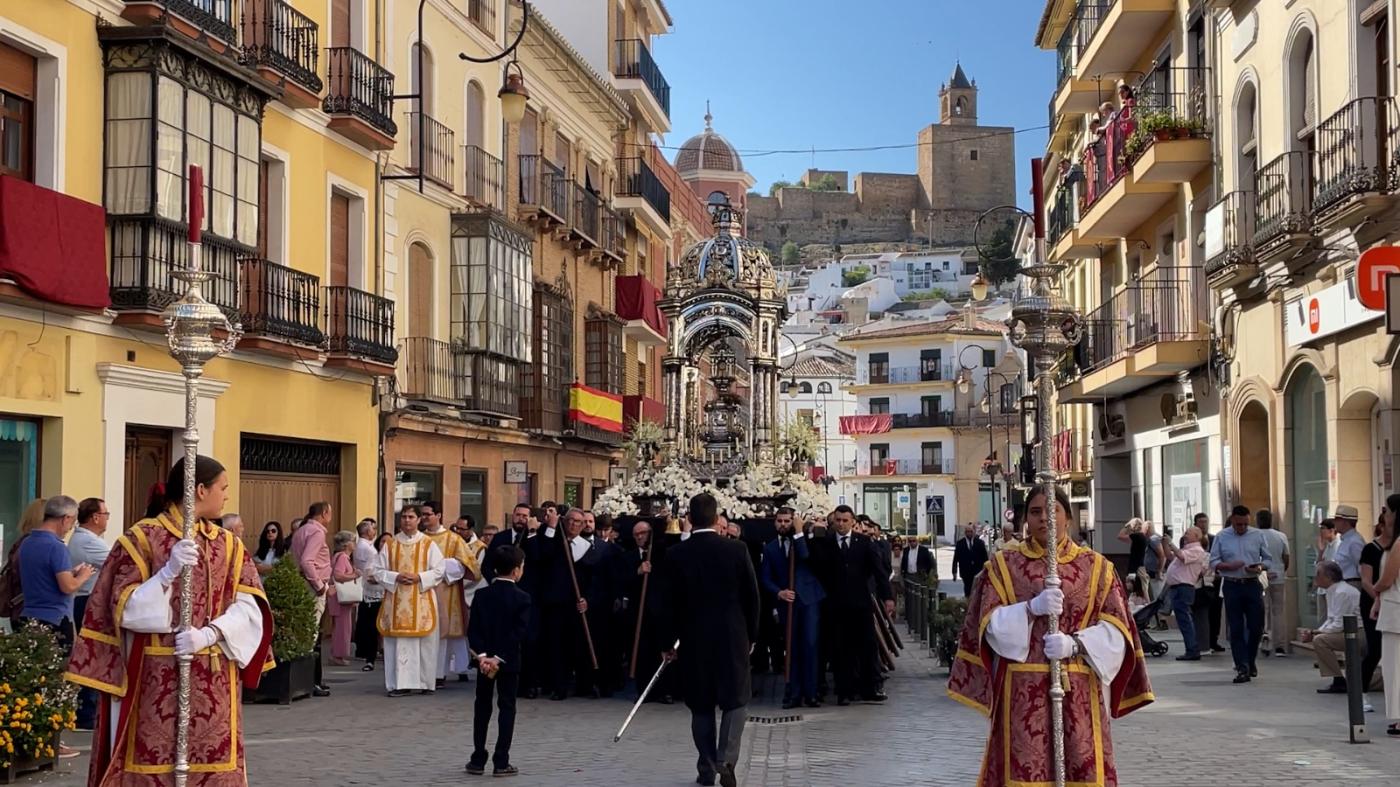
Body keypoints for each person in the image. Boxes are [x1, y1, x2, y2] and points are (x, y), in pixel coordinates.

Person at [66, 455, 273, 785]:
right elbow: (123, 610)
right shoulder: (142, 539)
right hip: (153, 678)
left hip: (215, 678)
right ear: (200, 490)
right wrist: (167, 574)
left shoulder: (230, 546)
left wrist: (209, 634)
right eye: (224, 487)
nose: (227, 495)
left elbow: (250, 610)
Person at [948, 484, 1153, 786]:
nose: (1044, 518)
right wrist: (1030, 609)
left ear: (1068, 517)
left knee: (1081, 767)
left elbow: (1117, 630)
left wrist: (1076, 643)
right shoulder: (1005, 566)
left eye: (1052, 510)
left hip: (1080, 685)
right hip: (1021, 688)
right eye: (1035, 512)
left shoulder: (1097, 568)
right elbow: (988, 625)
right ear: (1025, 520)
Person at [661, 493, 759, 787]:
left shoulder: (676, 554)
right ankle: (726, 758)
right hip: (731, 635)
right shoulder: (737, 549)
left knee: (701, 704)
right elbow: (752, 597)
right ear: (718, 520)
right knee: (736, 699)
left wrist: (668, 642)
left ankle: (705, 766)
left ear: (688, 519)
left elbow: (666, 602)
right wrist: (752, 635)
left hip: (693, 639)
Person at [19, 494, 94, 757]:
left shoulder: (28, 543)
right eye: (71, 522)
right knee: (56, 683)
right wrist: (82, 575)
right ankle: (53, 741)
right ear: (65, 519)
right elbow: (67, 587)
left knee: (35, 681)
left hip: (30, 616)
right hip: (55, 620)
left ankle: (37, 737)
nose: (71, 527)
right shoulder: (56, 547)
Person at [466, 545, 530, 778]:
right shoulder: (523, 598)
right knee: (507, 707)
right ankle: (501, 760)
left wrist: (483, 656)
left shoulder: (482, 596)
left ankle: (477, 758)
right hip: (508, 661)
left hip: (483, 663)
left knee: (482, 707)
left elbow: (473, 629)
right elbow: (518, 633)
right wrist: (498, 658)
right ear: (516, 571)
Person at [374, 505, 451, 697]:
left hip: (422, 599)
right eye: (404, 517)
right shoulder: (390, 544)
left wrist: (420, 577)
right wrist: (395, 576)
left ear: (418, 520)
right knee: (399, 645)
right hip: (397, 601)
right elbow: (377, 570)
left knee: (425, 644)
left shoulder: (427, 544)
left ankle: (426, 682)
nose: (407, 520)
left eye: (411, 517)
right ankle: (400, 684)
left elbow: (440, 569)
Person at [827, 505, 895, 705]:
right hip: (836, 606)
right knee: (841, 648)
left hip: (861, 604)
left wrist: (887, 597)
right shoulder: (827, 543)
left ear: (852, 522)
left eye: (845, 520)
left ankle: (870, 687)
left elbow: (879, 572)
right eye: (838, 520)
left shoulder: (864, 543)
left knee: (867, 646)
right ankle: (844, 690)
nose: (841, 524)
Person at [760, 507, 825, 710]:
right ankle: (793, 692)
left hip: (809, 600)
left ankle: (811, 692)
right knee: (792, 647)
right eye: (779, 521)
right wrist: (778, 592)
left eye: (787, 521)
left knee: (810, 645)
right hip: (786, 602)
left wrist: (798, 533)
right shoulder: (770, 548)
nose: (783, 525)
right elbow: (765, 576)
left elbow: (806, 557)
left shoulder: (805, 540)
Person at [1209, 505, 1272, 684]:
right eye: (1238, 525)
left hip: (1252, 583)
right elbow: (1213, 561)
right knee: (1235, 628)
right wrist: (1228, 566)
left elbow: (1268, 559)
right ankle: (1242, 666)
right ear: (1233, 521)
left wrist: (1260, 567)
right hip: (1232, 584)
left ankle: (1250, 660)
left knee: (1256, 626)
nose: (1242, 528)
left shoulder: (1258, 535)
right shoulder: (1222, 536)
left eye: (1245, 524)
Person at [421, 501, 479, 686]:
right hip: (423, 591)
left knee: (443, 634)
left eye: (427, 514)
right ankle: (424, 673)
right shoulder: (419, 539)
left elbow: (467, 566)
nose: (424, 518)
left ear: (438, 515)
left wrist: (441, 567)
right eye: (422, 514)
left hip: (447, 591)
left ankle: (439, 673)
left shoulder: (453, 539)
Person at [67, 497, 111, 731]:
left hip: (86, 599)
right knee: (92, 653)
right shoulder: (88, 542)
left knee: (93, 653)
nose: (106, 519)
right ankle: (86, 710)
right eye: (106, 514)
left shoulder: (87, 539)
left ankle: (88, 708)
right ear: (95, 517)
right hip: (87, 600)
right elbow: (117, 560)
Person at [290, 501, 334, 697]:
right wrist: (320, 585)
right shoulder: (317, 532)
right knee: (311, 634)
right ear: (324, 513)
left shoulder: (301, 530)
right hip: (312, 586)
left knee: (307, 632)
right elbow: (308, 561)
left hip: (302, 583)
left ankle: (310, 680)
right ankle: (309, 682)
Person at [1309, 560, 1364, 694]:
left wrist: (1317, 634)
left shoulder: (1342, 592)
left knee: (1320, 641)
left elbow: (1338, 624)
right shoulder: (1332, 591)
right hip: (1347, 631)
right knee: (1320, 638)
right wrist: (1317, 631)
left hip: (1359, 633)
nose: (1315, 578)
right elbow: (1331, 619)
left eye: (1318, 574)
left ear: (1329, 577)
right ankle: (1340, 680)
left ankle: (1339, 680)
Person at [1370, 493, 1400, 737]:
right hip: (1393, 606)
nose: (1386, 517)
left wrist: (1377, 591)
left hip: (1396, 610)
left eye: (1388, 512)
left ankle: (1399, 718)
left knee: (1395, 666)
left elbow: (1387, 579)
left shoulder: (1399, 543)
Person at [1163, 525, 1207, 661]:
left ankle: (1192, 649)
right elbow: (1171, 556)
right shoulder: (1187, 548)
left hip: (1184, 587)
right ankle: (1191, 648)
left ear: (1196, 536)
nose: (1185, 534)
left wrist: (1170, 543)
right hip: (1178, 587)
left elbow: (1182, 557)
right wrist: (1166, 544)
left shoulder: (1197, 550)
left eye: (1188, 533)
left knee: (1185, 619)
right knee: (1183, 619)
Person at [1361, 511, 1390, 695]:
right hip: (1372, 601)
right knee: (1375, 649)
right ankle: (1361, 688)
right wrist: (1379, 599)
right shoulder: (1371, 548)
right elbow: (1366, 580)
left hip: (1392, 601)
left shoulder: (1397, 546)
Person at [1255, 509, 1291, 657]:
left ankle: (1266, 640)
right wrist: (1282, 569)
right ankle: (1280, 645)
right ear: (1271, 520)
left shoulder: (1254, 536)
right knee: (1278, 611)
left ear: (1257, 520)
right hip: (1278, 575)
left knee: (1264, 609)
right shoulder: (1281, 536)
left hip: (1260, 576)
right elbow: (1286, 557)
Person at [352, 518, 384, 672]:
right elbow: (370, 573)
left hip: (369, 590)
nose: (374, 530)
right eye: (372, 528)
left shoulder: (362, 546)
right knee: (371, 624)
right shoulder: (369, 550)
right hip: (373, 592)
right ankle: (370, 653)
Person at [327, 530, 359, 666]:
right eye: (352, 541)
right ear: (346, 544)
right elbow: (338, 575)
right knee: (343, 627)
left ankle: (337, 653)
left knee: (340, 626)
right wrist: (354, 575)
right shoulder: (343, 557)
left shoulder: (338, 556)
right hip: (341, 597)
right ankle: (338, 655)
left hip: (338, 597)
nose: (355, 543)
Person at [900, 534, 934, 622]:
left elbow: (929, 564)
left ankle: (921, 617)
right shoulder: (906, 550)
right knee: (909, 598)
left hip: (919, 576)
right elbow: (903, 562)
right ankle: (910, 617)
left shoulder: (924, 550)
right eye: (910, 541)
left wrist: (925, 574)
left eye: (913, 541)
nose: (912, 543)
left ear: (917, 541)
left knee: (920, 597)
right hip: (908, 576)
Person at [952, 523, 989, 598]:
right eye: (967, 532)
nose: (969, 533)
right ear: (965, 533)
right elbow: (956, 559)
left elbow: (985, 558)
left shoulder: (980, 543)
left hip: (978, 571)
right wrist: (954, 572)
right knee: (968, 590)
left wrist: (987, 570)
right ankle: (968, 604)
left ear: (974, 531)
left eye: (971, 531)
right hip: (965, 572)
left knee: (977, 591)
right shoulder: (960, 544)